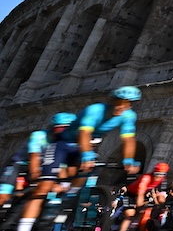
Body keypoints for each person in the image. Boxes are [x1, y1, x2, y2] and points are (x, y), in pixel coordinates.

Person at [18, 87, 142, 231]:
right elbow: (84, 133)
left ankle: (67, 197)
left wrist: (128, 160)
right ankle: (23, 227)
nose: (122, 107)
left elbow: (128, 140)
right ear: (112, 101)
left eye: (127, 104)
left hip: (86, 145)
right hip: (64, 144)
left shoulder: (128, 116)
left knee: (83, 173)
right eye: (119, 102)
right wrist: (87, 154)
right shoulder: (95, 110)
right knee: (43, 188)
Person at [118, 161, 169, 231]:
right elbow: (140, 197)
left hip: (145, 193)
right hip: (132, 193)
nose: (159, 177)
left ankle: (135, 227)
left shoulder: (163, 180)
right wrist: (141, 204)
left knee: (145, 214)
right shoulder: (146, 178)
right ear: (154, 172)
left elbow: (162, 198)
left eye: (162, 174)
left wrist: (158, 200)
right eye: (157, 174)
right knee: (130, 214)